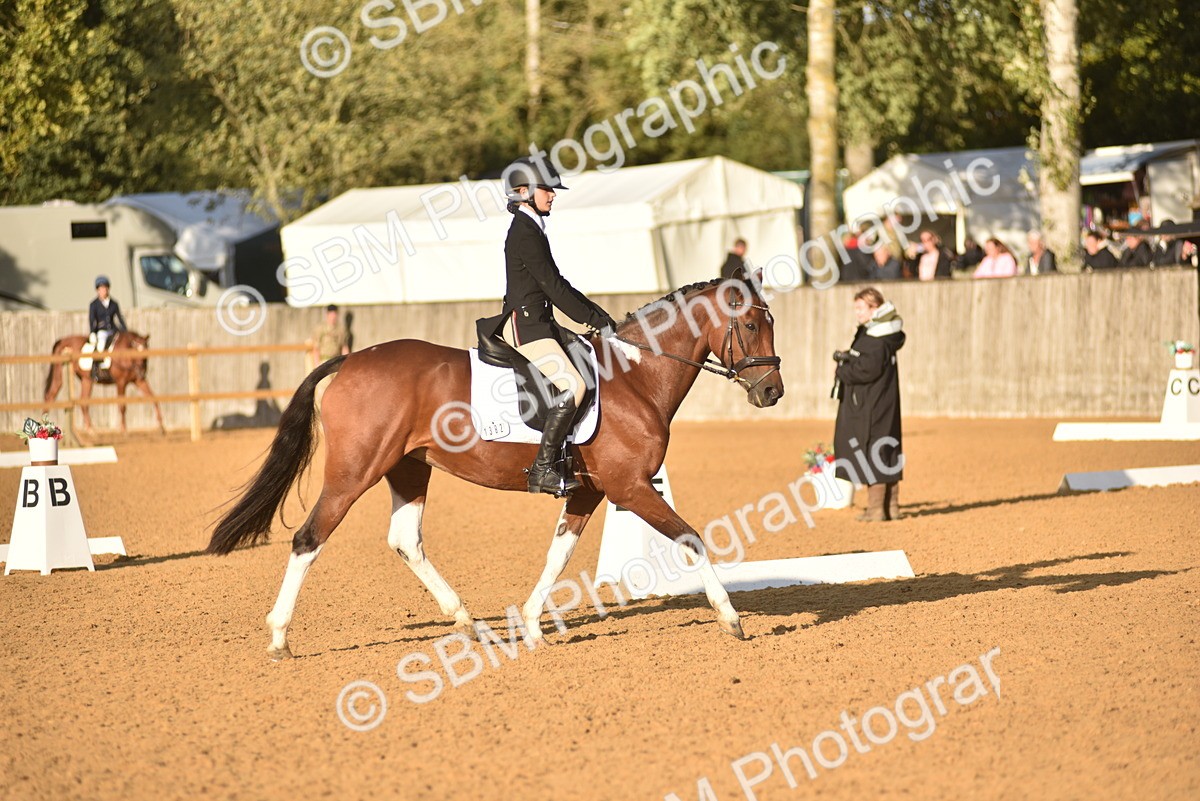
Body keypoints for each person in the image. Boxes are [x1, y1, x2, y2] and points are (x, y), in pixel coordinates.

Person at [500, 156, 618, 496]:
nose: (553, 195)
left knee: (586, 359)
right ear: (523, 192)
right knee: (575, 386)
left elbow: (557, 284)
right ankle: (542, 469)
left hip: (540, 321)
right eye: (547, 189)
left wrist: (597, 316)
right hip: (526, 326)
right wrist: (596, 319)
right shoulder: (525, 232)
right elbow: (554, 286)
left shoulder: (533, 227)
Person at [832, 287, 905, 522]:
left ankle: (876, 509)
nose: (857, 313)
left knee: (873, 447)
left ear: (875, 308)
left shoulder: (875, 338)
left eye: (861, 308)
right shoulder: (883, 334)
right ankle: (890, 507)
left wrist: (844, 369)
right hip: (884, 400)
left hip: (871, 402)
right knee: (886, 448)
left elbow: (867, 369)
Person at [88, 275, 127, 380]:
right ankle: (97, 367)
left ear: (108, 289)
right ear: (97, 290)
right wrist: (92, 332)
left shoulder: (114, 303)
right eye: (100, 289)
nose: (103, 291)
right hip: (102, 331)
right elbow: (92, 320)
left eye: (104, 288)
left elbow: (120, 318)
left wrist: (125, 330)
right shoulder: (94, 304)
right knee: (101, 345)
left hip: (113, 330)